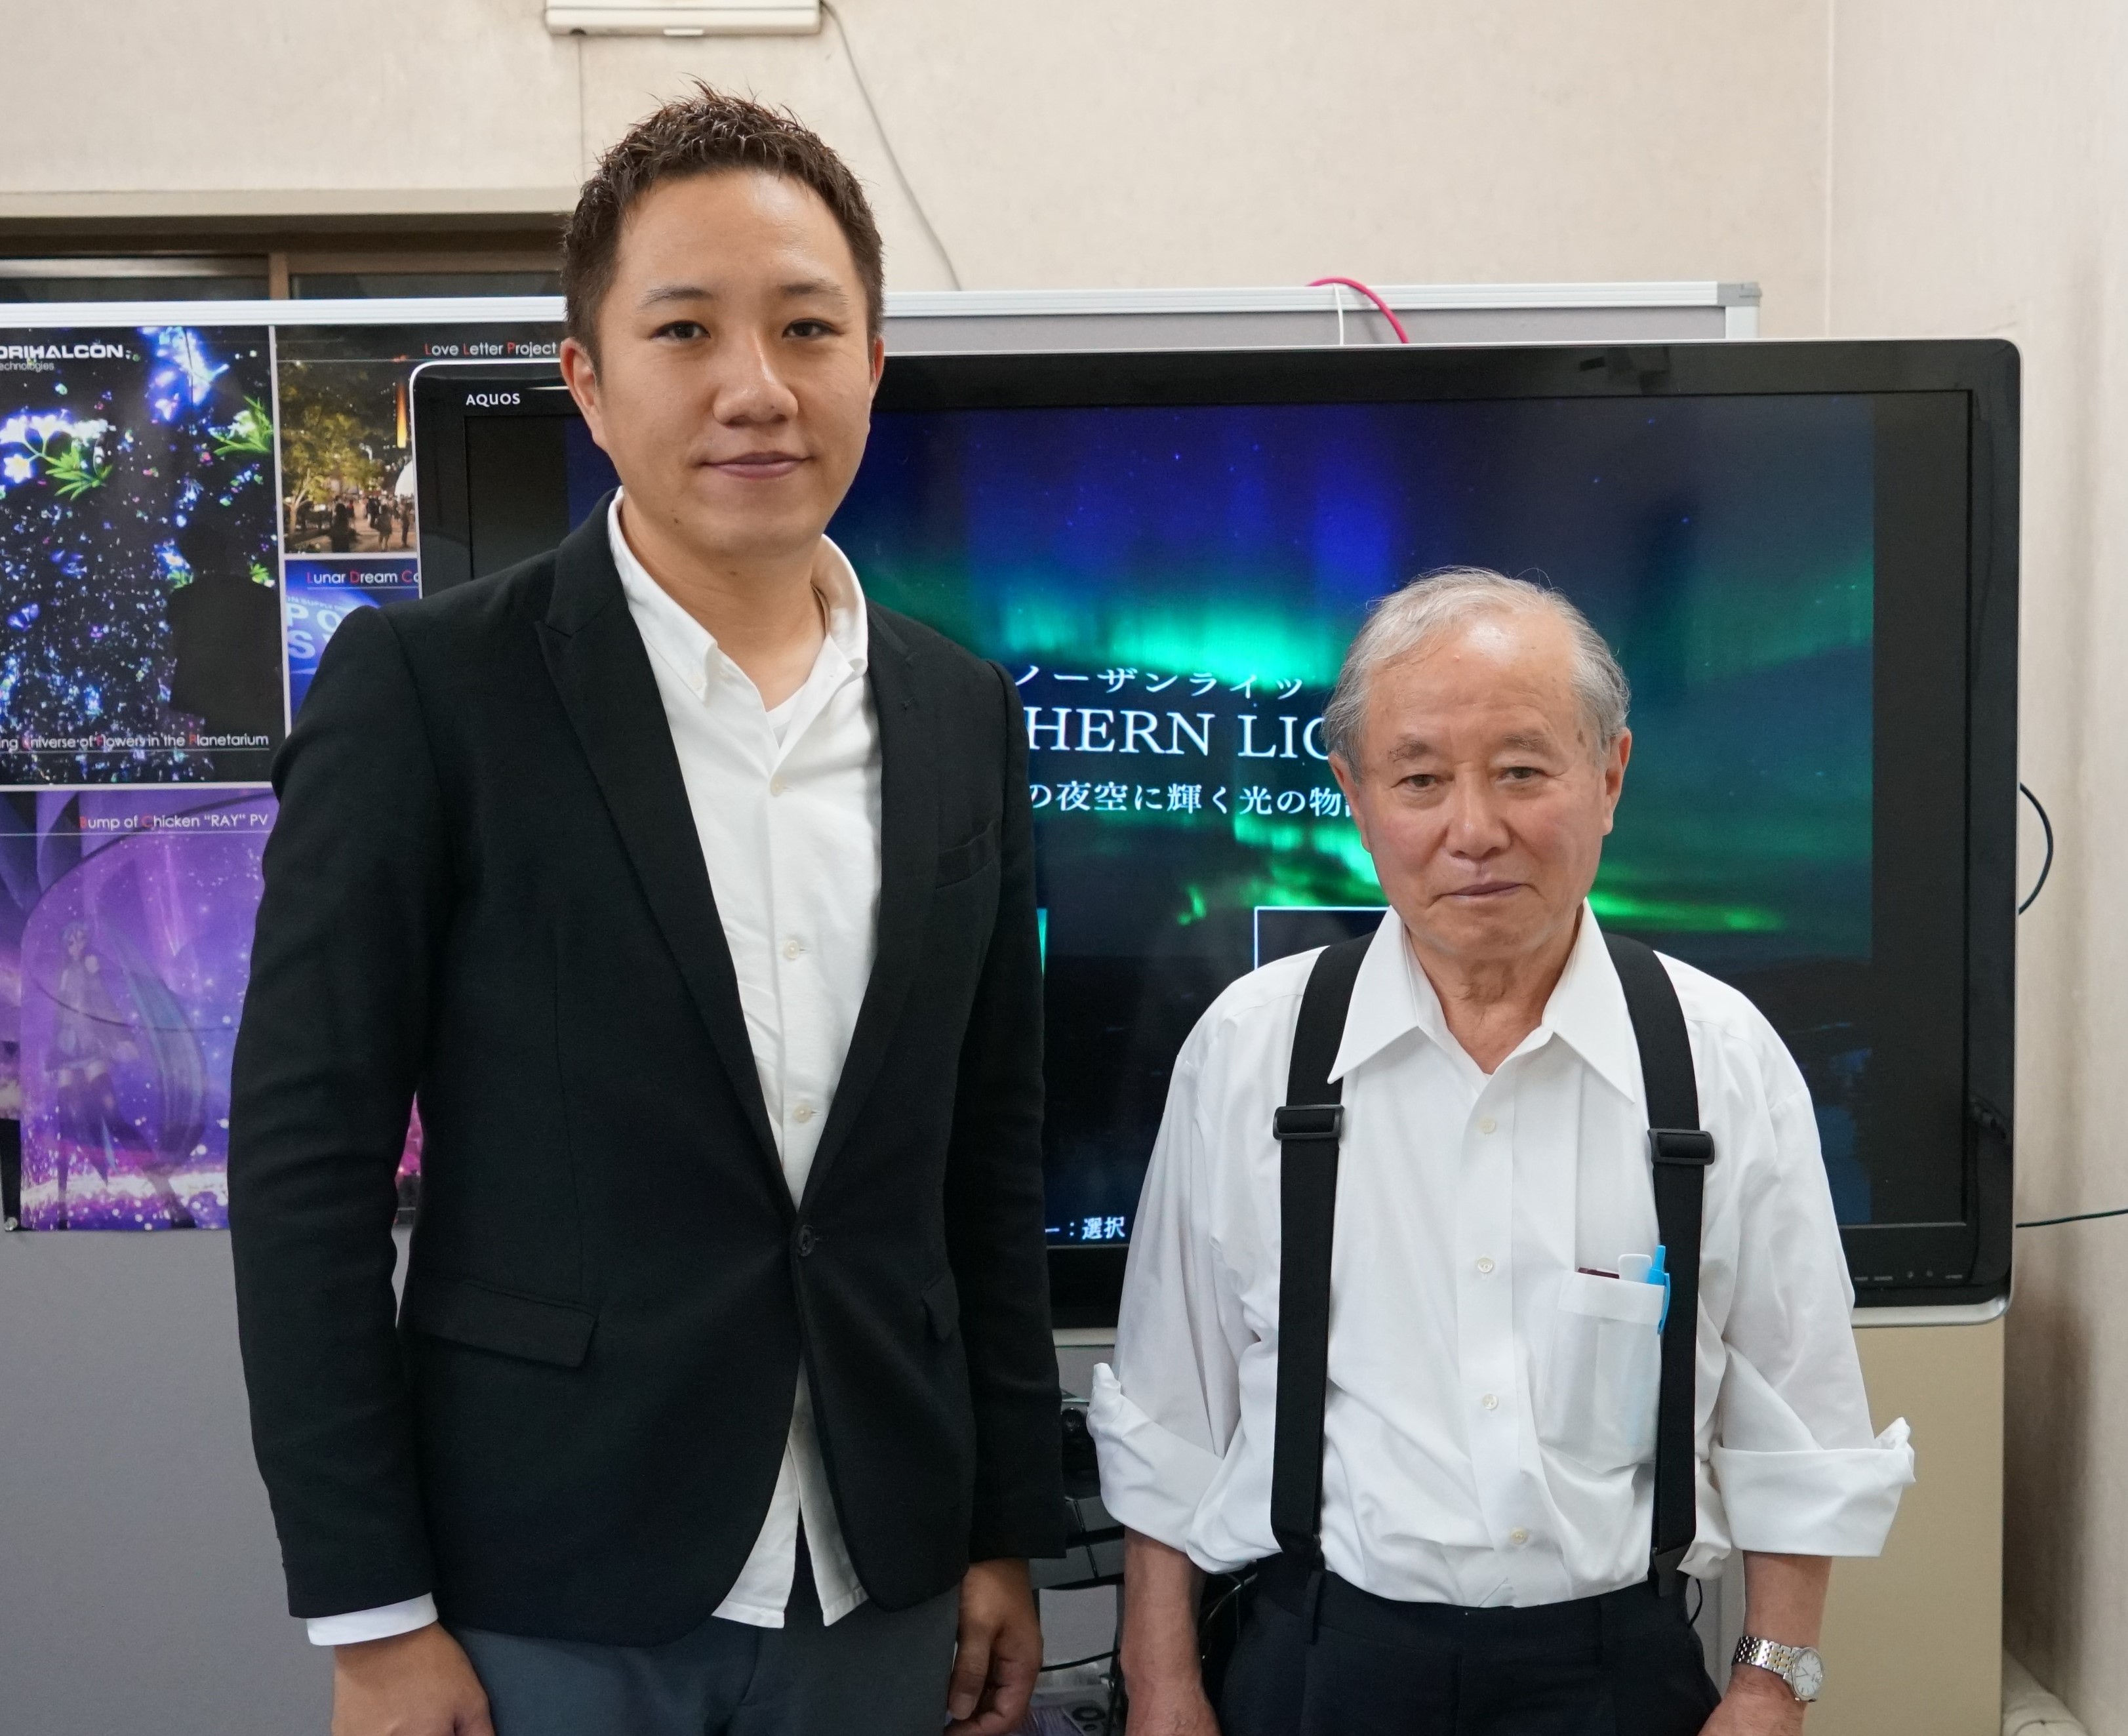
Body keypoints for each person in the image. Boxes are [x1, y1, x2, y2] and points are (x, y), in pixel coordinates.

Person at [229, 86, 1062, 1736]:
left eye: (807, 327)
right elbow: (308, 1162)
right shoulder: (429, 692)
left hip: (879, 1578)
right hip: (539, 1579)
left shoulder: (963, 712)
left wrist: (1002, 1529)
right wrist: (372, 1614)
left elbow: (991, 1152)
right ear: (591, 383)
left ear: (873, 365)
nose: (757, 386)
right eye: (684, 329)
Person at [1091, 569, 1916, 1736]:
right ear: (1354, 795)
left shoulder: (1718, 1056)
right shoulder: (1249, 1049)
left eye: (1522, 771)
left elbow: (1796, 1415)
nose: (1473, 830)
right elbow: (1171, 1413)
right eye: (1419, 780)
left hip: (1614, 1676)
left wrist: (1769, 1687)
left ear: (1609, 777)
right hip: (1314, 1663)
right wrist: (1164, 1685)